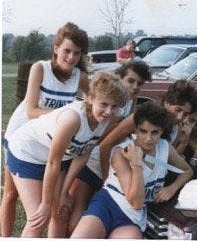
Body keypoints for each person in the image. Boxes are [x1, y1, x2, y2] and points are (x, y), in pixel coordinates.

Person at [6, 72, 129, 237]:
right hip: (28, 153)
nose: (108, 111)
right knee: (38, 218)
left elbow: (83, 153)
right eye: (104, 104)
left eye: (114, 106)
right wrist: (46, 202)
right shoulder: (73, 119)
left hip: (57, 158)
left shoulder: (106, 121)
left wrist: (63, 192)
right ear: (90, 98)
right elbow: (53, 162)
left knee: (60, 213)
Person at [0, 22, 90, 237]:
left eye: (76, 53)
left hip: (50, 140)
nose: (71, 57)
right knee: (11, 193)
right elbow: (31, 111)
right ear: (56, 48)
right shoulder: (41, 68)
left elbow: (96, 100)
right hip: (22, 136)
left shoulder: (80, 77)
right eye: (67, 51)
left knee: (49, 205)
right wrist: (67, 117)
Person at [70, 101, 193, 239]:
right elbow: (136, 200)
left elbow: (187, 170)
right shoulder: (121, 153)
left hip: (131, 216)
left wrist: (172, 187)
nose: (148, 138)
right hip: (107, 204)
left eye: (154, 132)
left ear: (162, 131)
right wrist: (136, 164)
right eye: (143, 131)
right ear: (135, 130)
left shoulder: (165, 148)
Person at [63, 61, 152, 236]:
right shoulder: (107, 102)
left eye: (140, 83)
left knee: (95, 214)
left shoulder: (128, 101)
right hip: (91, 161)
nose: (135, 87)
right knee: (74, 217)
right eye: (131, 81)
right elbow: (104, 143)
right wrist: (105, 177)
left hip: (109, 166)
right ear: (119, 78)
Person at [99, 79, 197, 179]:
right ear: (167, 102)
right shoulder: (142, 117)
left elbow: (167, 160)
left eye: (185, 114)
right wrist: (105, 178)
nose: (179, 117)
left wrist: (184, 142)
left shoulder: (176, 129)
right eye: (178, 110)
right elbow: (106, 144)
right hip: (102, 167)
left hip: (134, 180)